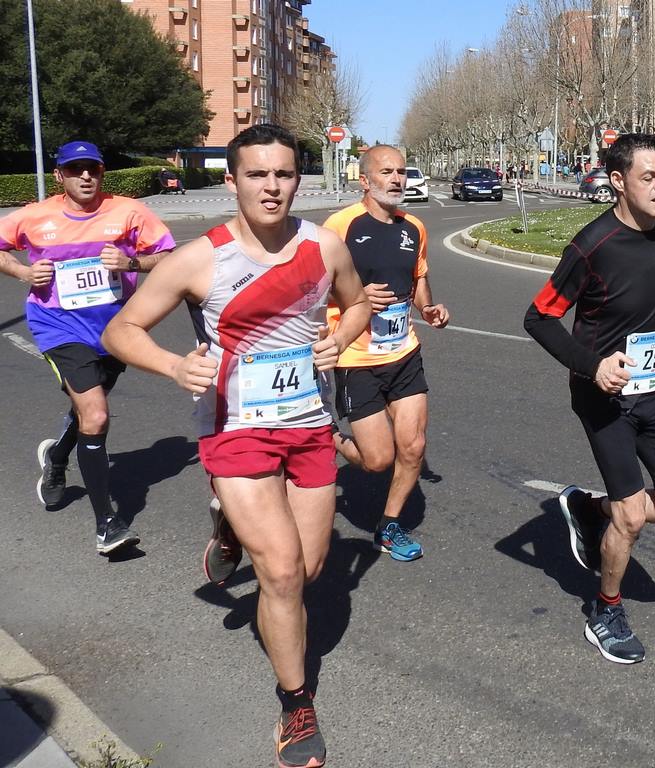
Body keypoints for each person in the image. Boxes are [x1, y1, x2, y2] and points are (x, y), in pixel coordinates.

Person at [102, 123, 370, 768]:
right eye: (257, 175)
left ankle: (228, 530)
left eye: (283, 174)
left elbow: (357, 303)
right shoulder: (202, 258)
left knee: (305, 572)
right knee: (278, 572)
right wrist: (172, 366)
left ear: (296, 178)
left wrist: (341, 337)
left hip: (309, 424)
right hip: (235, 428)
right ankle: (296, 701)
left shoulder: (326, 247)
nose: (271, 187)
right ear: (232, 180)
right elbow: (122, 328)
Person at [523, 133, 655, 665]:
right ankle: (605, 609)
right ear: (618, 182)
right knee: (629, 516)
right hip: (603, 395)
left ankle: (584, 506)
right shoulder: (591, 245)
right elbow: (538, 318)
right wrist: (592, 365)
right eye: (649, 178)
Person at [0, 141, 175, 555]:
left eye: (92, 169)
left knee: (86, 413)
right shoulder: (34, 216)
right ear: (59, 175)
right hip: (58, 325)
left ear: (102, 172)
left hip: (116, 329)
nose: (85, 177)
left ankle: (56, 457)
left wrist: (131, 264)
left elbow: (168, 254)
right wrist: (24, 271)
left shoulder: (129, 211)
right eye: (74, 169)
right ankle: (106, 524)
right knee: (95, 414)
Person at [323, 145, 450, 562]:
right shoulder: (339, 227)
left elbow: (417, 282)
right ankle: (329, 438)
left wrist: (429, 309)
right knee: (378, 461)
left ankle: (389, 525)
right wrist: (357, 299)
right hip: (356, 358)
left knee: (412, 447)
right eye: (386, 172)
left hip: (403, 352)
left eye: (400, 171)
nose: (397, 179)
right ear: (364, 180)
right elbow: (311, 291)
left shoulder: (413, 227)